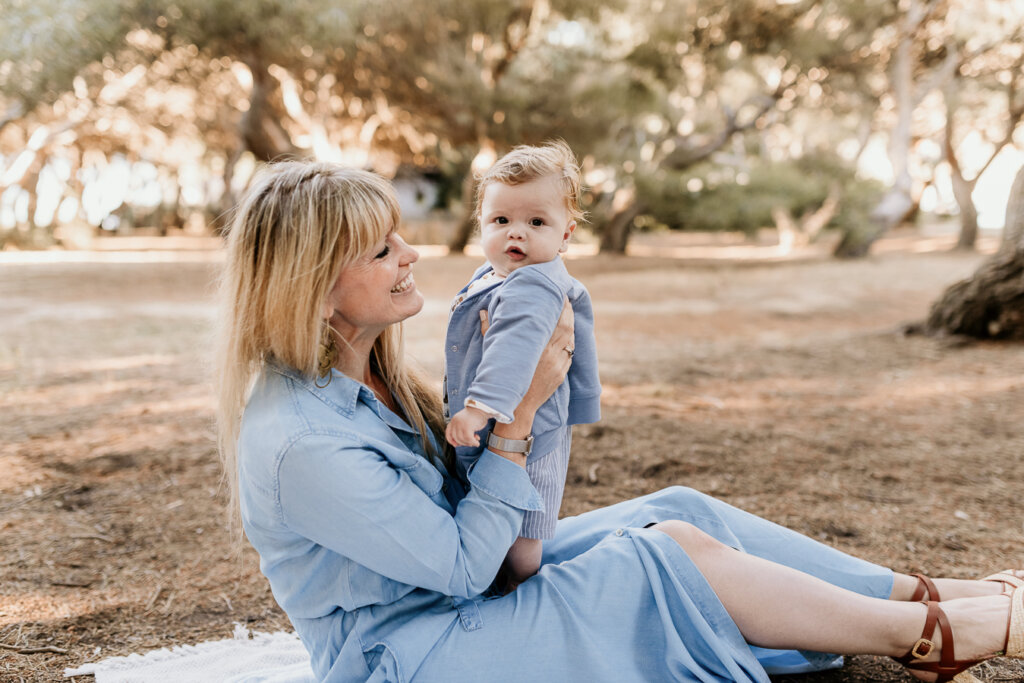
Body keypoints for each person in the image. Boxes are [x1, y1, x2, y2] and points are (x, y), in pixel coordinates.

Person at [216, 160, 1023, 683]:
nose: (411, 254)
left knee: (678, 510)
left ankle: (930, 594)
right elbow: (463, 566)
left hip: (461, 595)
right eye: (381, 250)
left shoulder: (369, 374)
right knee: (660, 558)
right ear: (314, 288)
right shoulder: (302, 442)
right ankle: (929, 635)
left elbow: (478, 538)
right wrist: (517, 419)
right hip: (415, 653)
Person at [442, 141, 601, 586]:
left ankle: (525, 584)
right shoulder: (496, 274)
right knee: (496, 505)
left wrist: (477, 408)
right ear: (481, 222)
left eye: (536, 222)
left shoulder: (533, 285)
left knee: (526, 520)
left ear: (566, 234)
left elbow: (512, 351)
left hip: (532, 429)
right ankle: (501, 575)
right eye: (501, 221)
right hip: (502, 420)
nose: (517, 234)